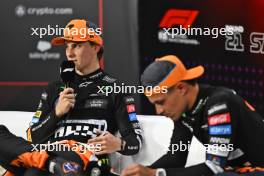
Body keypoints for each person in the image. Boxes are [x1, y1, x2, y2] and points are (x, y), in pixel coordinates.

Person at [25, 19, 142, 174]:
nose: (69, 53)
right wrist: (56, 114)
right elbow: (32, 137)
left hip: (87, 166)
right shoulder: (54, 89)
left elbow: (136, 142)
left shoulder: (116, 89)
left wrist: (119, 144)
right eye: (67, 46)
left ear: (95, 47)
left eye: (77, 45)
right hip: (50, 161)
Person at [121, 55, 264, 176]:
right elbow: (176, 157)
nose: (159, 111)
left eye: (161, 102)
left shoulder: (219, 103)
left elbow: (215, 167)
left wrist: (155, 173)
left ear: (181, 88)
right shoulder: (183, 111)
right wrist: (142, 172)